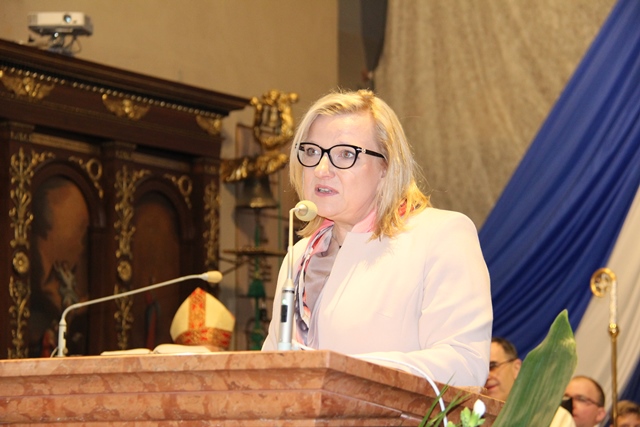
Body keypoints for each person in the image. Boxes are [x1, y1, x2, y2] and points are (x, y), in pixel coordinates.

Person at [261, 89, 493, 387]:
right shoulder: (299, 256)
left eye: (346, 154)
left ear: (386, 166)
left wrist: (340, 373)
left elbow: (464, 364)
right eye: (312, 151)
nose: (321, 169)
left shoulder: (441, 236)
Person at [485, 337, 575, 426]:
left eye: (492, 366)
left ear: (516, 368)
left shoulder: (555, 418)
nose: (486, 377)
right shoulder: (477, 418)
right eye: (481, 372)